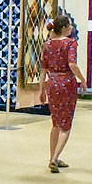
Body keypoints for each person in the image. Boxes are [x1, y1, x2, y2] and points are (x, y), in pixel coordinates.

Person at [38, 14, 86, 174]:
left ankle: (53, 156)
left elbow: (43, 69)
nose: (71, 28)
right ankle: (55, 158)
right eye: (70, 25)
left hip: (51, 83)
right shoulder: (71, 43)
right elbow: (72, 64)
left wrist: (41, 90)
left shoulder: (48, 45)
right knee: (66, 125)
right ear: (64, 28)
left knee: (56, 123)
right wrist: (82, 79)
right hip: (66, 83)